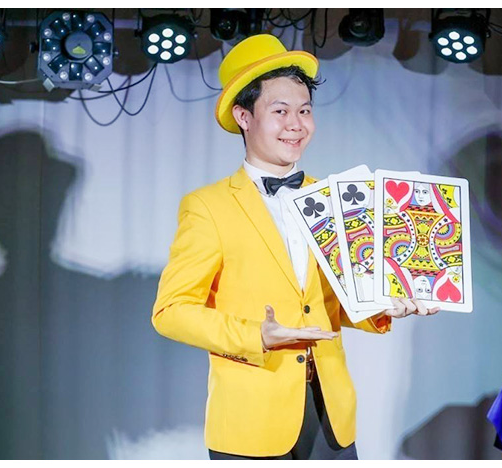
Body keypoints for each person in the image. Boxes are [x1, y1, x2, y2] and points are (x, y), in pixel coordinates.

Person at [151, 34, 439, 460]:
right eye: (280, 111)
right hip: (251, 419)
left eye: (304, 111)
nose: (296, 124)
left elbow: (331, 303)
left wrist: (384, 303)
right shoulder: (208, 206)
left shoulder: (334, 198)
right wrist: (257, 335)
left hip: (331, 418)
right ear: (244, 116)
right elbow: (171, 312)